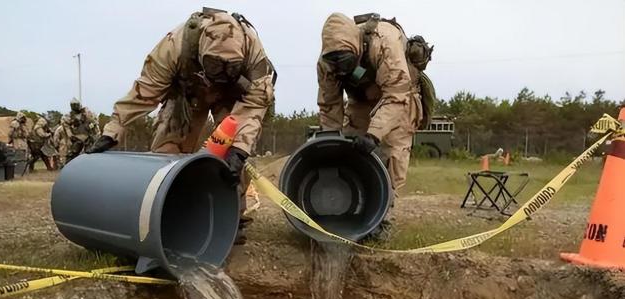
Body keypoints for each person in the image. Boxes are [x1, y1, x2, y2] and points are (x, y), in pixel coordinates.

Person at [87, 8, 276, 244]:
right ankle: (165, 216)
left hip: (232, 96)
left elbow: (256, 101)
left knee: (232, 160)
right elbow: (144, 92)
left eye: (227, 68)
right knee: (166, 155)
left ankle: (230, 220)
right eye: (214, 66)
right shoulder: (175, 46)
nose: (218, 73)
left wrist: (239, 148)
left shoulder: (253, 52)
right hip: (187, 93)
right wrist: (112, 130)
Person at [317, 13, 434, 211]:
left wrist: (373, 135)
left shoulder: (384, 42)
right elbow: (329, 105)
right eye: (335, 61)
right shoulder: (327, 63)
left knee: (391, 157)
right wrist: (330, 141)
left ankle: (382, 215)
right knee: (348, 149)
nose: (341, 68)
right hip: (361, 100)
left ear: (356, 47)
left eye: (345, 61)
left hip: (400, 97)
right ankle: (350, 206)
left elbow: (396, 95)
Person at [65, 98, 99, 163]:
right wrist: (71, 136)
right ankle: (69, 165)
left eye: (76, 105)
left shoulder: (87, 112)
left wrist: (94, 133)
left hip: (88, 136)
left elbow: (94, 122)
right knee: (73, 153)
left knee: (89, 153)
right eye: (73, 105)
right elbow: (66, 127)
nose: (75, 106)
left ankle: (90, 165)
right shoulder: (69, 116)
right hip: (77, 137)